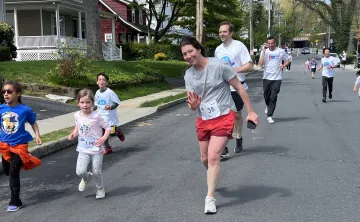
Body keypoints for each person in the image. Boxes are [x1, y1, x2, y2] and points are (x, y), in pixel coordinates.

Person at [180, 37, 259, 214]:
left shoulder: (219, 66)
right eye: (184, 54)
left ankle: (210, 198)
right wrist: (193, 105)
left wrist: (250, 111)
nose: (188, 56)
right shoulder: (189, 75)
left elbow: (239, 87)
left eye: (190, 51)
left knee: (214, 156)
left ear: (198, 49)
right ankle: (212, 176)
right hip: (204, 119)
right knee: (205, 159)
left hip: (224, 115)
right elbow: (192, 103)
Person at [0, 80, 42, 212]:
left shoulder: (25, 110)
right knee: (7, 171)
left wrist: (37, 135)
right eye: (4, 92)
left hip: (20, 145)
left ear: (17, 94)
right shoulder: (1, 108)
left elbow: (33, 123)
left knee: (13, 171)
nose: (6, 94)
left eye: (9, 91)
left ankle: (15, 201)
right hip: (5, 145)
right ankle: (15, 166)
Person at [214, 21, 253, 158]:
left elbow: (249, 66)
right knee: (222, 116)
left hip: (237, 86)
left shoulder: (239, 46)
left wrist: (234, 70)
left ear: (230, 33)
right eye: (220, 32)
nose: (221, 34)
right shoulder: (218, 50)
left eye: (224, 31)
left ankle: (238, 138)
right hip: (223, 87)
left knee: (236, 116)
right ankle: (223, 147)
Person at [68, 89, 111, 199]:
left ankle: (100, 188)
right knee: (80, 171)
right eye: (82, 102)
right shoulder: (76, 115)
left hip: (96, 148)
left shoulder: (97, 116)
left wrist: (103, 138)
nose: (85, 105)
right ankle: (86, 178)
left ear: (93, 103)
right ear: (78, 103)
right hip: (83, 148)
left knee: (96, 171)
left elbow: (108, 128)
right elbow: (78, 126)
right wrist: (74, 133)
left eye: (88, 102)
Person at [258, 36, 290, 124]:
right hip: (266, 77)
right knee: (266, 96)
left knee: (273, 97)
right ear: (267, 43)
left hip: (277, 78)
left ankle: (270, 116)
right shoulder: (265, 51)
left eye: (272, 43)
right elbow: (260, 65)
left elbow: (287, 60)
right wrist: (264, 53)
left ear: (275, 43)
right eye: (269, 43)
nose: (270, 45)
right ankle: (268, 106)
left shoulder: (280, 51)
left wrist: (284, 66)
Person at [93, 73, 125, 155]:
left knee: (112, 132)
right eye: (100, 79)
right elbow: (96, 104)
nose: (101, 81)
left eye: (103, 80)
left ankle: (118, 131)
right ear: (97, 82)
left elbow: (117, 103)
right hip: (101, 116)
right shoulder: (97, 92)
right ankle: (107, 148)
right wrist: (91, 109)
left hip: (110, 117)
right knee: (103, 133)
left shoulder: (110, 92)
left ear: (107, 82)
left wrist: (110, 107)